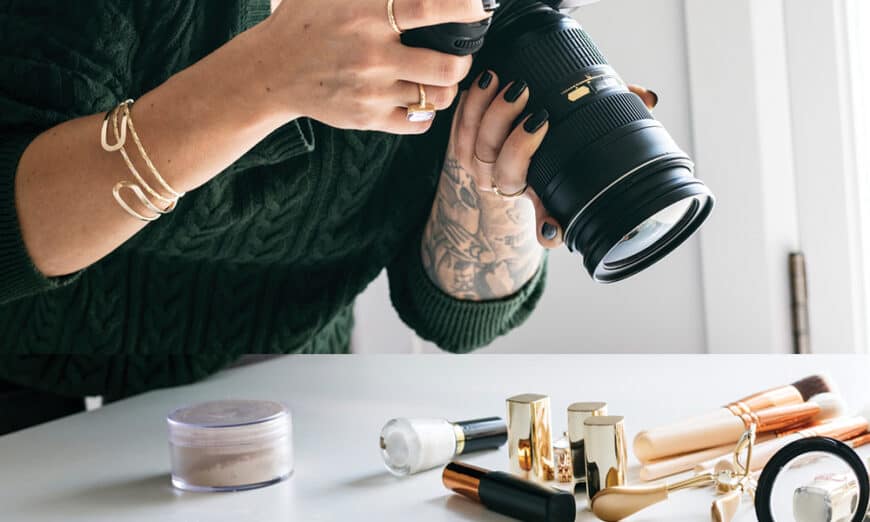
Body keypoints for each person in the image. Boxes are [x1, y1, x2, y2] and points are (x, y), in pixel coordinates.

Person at [0, 0, 657, 431]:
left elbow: (454, 317)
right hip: (35, 401)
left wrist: (496, 184)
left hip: (287, 404)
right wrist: (271, 76)